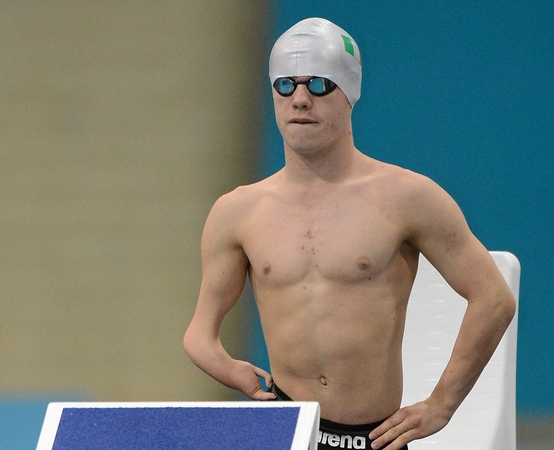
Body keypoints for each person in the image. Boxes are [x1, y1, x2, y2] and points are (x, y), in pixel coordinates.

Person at [182, 17, 516, 450]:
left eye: (318, 84)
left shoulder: (407, 197)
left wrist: (442, 403)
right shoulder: (237, 211)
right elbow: (199, 334)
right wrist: (232, 371)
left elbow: (493, 299)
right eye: (286, 85)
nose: (300, 100)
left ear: (350, 94)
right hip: (288, 431)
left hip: (374, 440)